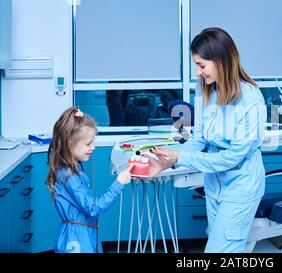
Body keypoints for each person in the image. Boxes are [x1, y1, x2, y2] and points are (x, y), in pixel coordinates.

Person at [148, 27, 267, 253]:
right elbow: (200, 138)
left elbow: (232, 157)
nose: (198, 72)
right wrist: (169, 161)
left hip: (241, 188)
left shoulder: (251, 99)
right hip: (214, 186)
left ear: (222, 60)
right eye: (196, 65)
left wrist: (180, 156)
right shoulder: (205, 90)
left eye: (202, 65)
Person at [46, 107, 133, 253]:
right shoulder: (69, 175)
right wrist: (119, 183)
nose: (93, 147)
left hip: (83, 235)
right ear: (69, 143)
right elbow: (93, 208)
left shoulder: (74, 168)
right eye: (88, 144)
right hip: (77, 241)